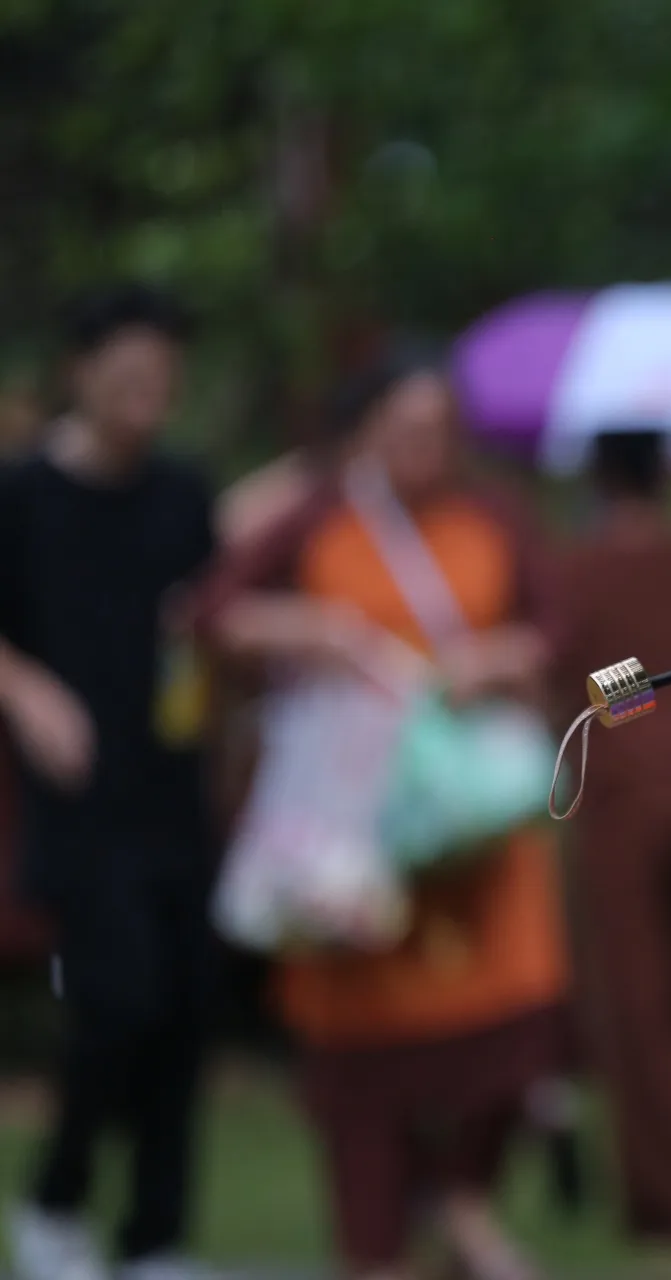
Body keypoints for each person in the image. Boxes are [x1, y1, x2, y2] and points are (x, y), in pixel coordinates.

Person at [196, 358, 569, 1280]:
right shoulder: (317, 515)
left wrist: (504, 656)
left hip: (471, 824)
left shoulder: (495, 516)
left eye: (438, 432)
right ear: (361, 432)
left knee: (513, 1032)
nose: (423, 451)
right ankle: (376, 1246)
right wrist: (309, 632)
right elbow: (215, 612)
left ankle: (465, 1201)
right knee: (361, 1060)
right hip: (351, 829)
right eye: (403, 431)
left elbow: (563, 629)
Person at [0, 286, 218, 1280]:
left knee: (183, 1011)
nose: (146, 392)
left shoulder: (184, 493)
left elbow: (210, 615)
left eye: (161, 375)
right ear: (81, 374)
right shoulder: (23, 495)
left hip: (176, 788)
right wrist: (28, 688)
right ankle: (54, 1199)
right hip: (79, 806)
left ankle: (155, 1238)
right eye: (128, 372)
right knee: (116, 999)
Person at [545, 429, 671, 1237]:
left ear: (599, 475)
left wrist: (634, 729)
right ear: (666, 472)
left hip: (626, 807)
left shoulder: (579, 570)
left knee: (638, 1005)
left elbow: (587, 686)